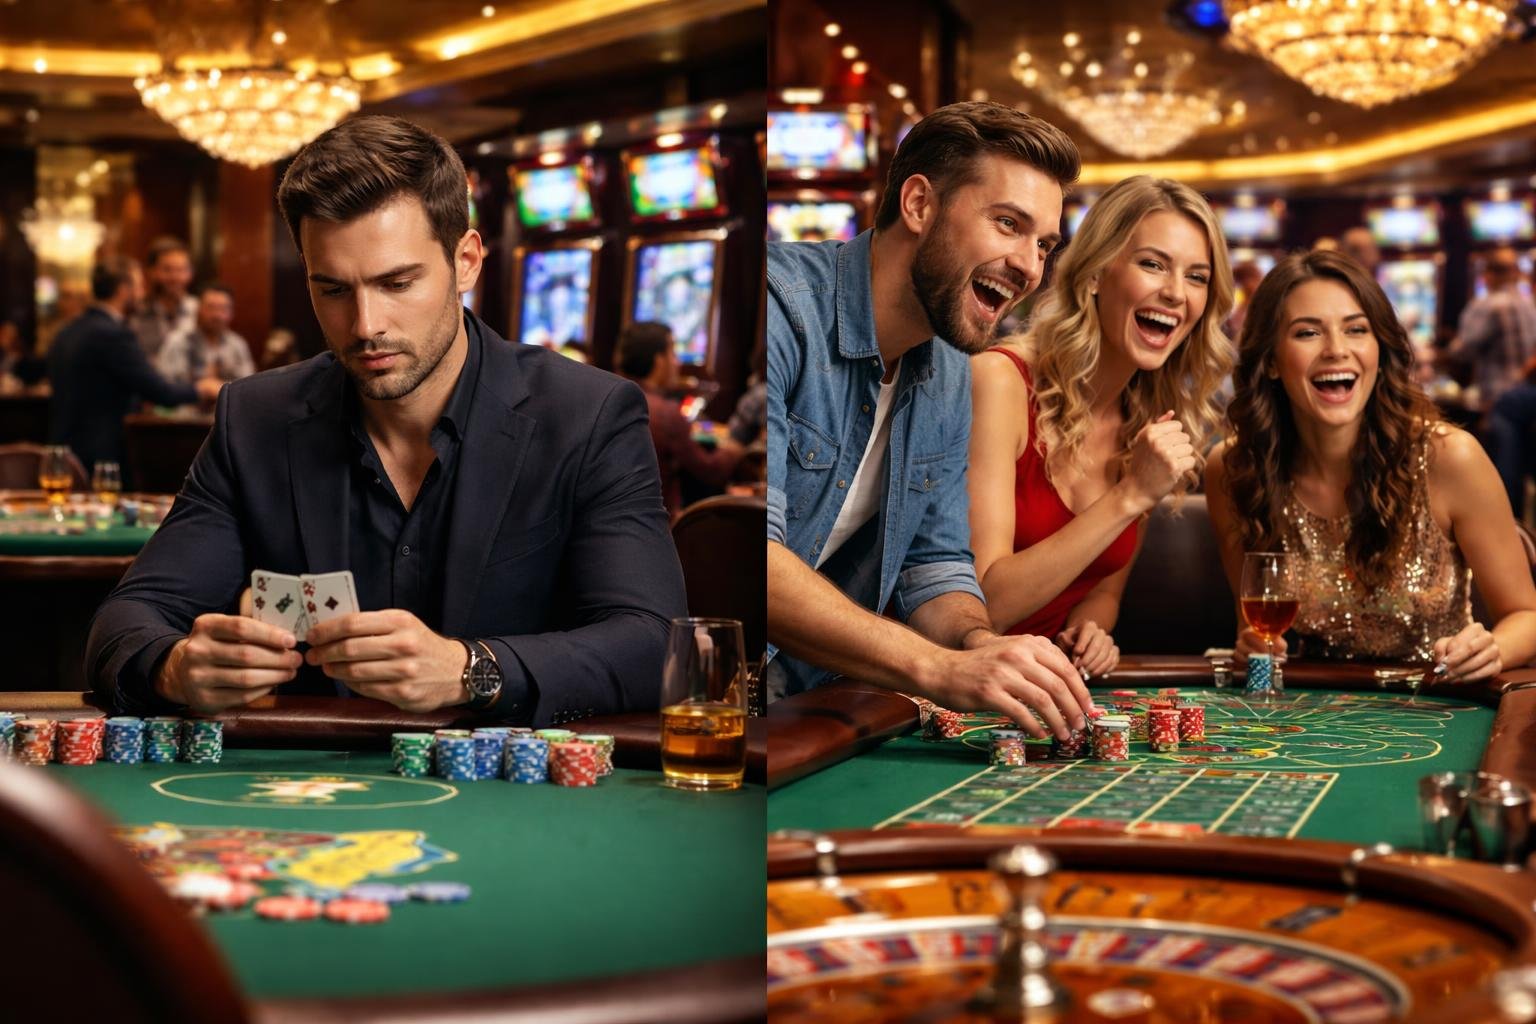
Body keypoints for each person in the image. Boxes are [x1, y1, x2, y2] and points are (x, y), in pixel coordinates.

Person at [88, 114, 685, 722]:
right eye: (334, 290)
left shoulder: (588, 415)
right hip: (306, 793)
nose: (366, 324)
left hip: (513, 793)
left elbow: (652, 643)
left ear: (468, 261)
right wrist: (178, 668)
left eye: (397, 282)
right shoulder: (255, 418)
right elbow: (125, 621)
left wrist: (469, 668)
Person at [767, 101, 1094, 738]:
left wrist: (981, 647)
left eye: (1044, 244)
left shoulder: (948, 367)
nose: (1030, 266)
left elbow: (935, 565)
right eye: (1008, 224)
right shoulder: (783, 309)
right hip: (718, 685)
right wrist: (939, 670)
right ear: (919, 205)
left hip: (811, 696)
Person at [1206, 249, 1536, 681]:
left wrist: (1490, 649)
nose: (1337, 351)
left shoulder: (1450, 458)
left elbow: (1527, 615)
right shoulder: (1233, 468)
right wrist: (1255, 652)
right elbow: (1254, 630)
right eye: (1308, 333)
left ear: (1379, 349)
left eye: (1356, 330)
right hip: (1306, 714)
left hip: (1436, 709)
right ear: (1269, 359)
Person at [968, 176, 1233, 679]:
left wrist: (1091, 630)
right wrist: (1131, 494)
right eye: (1153, 264)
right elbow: (984, 607)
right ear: (1094, 274)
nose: (1176, 293)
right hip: (947, 689)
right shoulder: (1000, 382)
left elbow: (1103, 590)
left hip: (1042, 691)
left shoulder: (1150, 421)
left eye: (1197, 277)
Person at [47, 257, 219, 472]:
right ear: (123, 290)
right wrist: (202, 388)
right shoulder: (113, 334)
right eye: (138, 286)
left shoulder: (67, 330)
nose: (141, 293)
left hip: (64, 449)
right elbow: (160, 391)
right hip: (100, 456)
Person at [615, 320, 742, 517]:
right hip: (656, 527)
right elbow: (711, 471)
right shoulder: (666, 413)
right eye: (673, 353)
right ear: (659, 361)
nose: (678, 362)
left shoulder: (609, 398)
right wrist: (735, 446)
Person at [1444, 246, 1536, 410]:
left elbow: (1462, 351)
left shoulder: (1486, 305)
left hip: (1497, 398)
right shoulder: (1530, 305)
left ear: (1488, 275)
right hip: (1528, 394)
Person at [157, 283, 256, 387]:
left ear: (231, 313)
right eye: (211, 307)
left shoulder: (237, 344)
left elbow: (248, 386)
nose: (217, 315)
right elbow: (165, 386)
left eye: (223, 309)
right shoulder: (178, 341)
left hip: (228, 402)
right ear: (198, 309)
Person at [129, 237, 197, 359]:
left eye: (181, 270)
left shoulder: (199, 310)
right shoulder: (135, 311)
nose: (175, 277)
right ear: (152, 271)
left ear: (190, 273)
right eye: (167, 269)